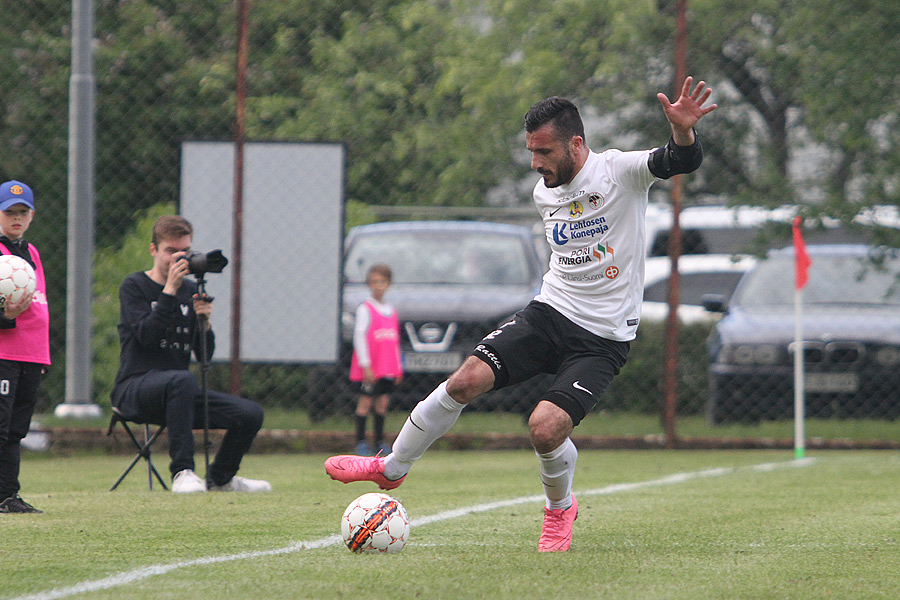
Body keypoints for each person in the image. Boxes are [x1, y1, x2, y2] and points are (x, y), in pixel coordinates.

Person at [325, 76, 717, 551]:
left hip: (603, 336)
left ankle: (559, 510)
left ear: (576, 143)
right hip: (550, 312)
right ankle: (390, 469)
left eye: (545, 152)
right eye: (532, 151)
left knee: (545, 426)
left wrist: (683, 132)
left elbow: (679, 161)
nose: (536, 163)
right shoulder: (543, 190)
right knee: (464, 380)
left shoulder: (619, 172)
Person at [111, 215, 270, 494]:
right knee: (183, 380)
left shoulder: (190, 291)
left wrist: (204, 324)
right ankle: (183, 472)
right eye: (170, 251)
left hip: (179, 396)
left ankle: (220, 479)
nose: (177, 258)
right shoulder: (134, 286)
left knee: (249, 413)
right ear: (154, 250)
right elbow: (146, 337)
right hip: (135, 388)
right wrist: (169, 290)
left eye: (183, 251)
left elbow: (204, 355)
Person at [0, 180, 49, 514]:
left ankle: (8, 495)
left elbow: (39, 304)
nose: (16, 218)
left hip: (32, 353)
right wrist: (5, 317)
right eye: (9, 212)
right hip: (4, 352)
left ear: (31, 215)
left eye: (22, 212)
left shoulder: (31, 253)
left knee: (17, 429)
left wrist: (42, 353)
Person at [349, 264, 403, 456]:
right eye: (374, 282)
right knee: (365, 402)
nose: (378, 286)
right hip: (371, 368)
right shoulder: (366, 309)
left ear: (388, 284)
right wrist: (366, 365)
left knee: (382, 403)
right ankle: (361, 442)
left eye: (382, 281)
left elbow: (395, 342)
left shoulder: (391, 310)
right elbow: (360, 336)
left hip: (387, 368)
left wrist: (397, 368)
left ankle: (379, 442)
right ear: (369, 284)